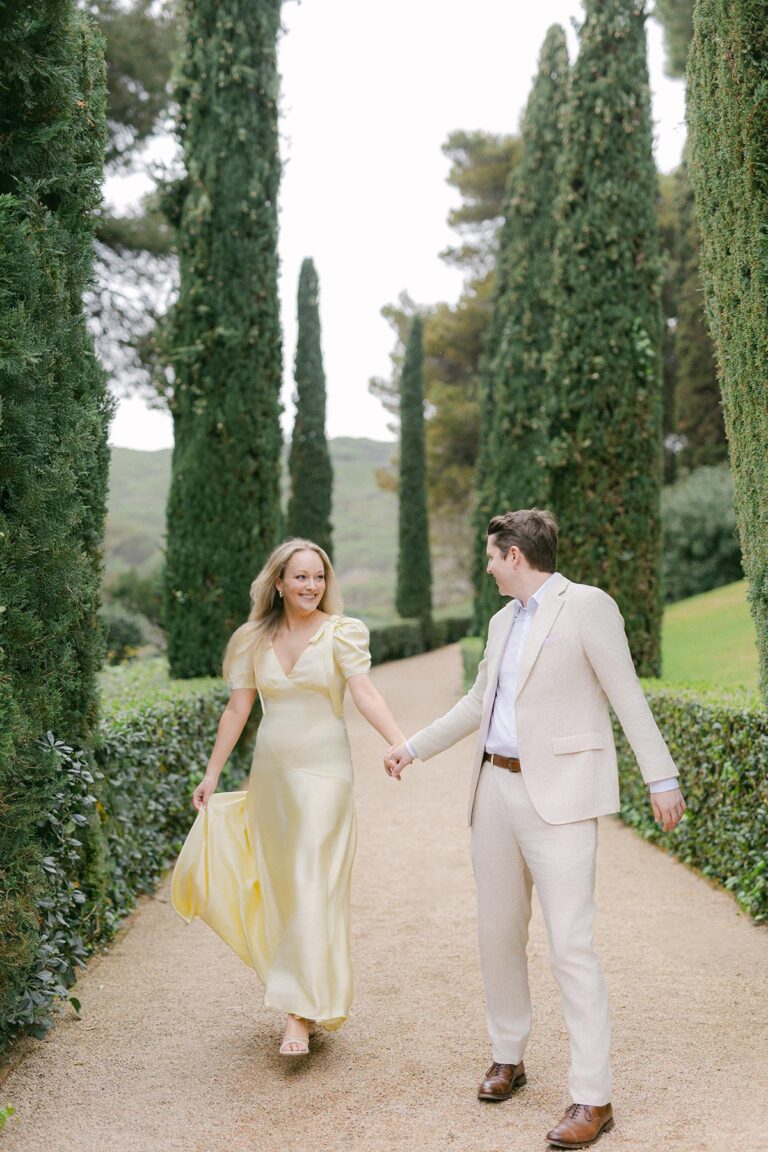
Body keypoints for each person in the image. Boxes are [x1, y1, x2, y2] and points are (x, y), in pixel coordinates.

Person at [384, 509, 686, 1149]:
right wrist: (413, 747)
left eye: (492, 555)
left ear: (515, 555)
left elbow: (626, 693)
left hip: (564, 796)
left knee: (571, 944)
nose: (487, 564)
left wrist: (662, 778)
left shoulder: (587, 606)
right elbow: (477, 703)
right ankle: (508, 1056)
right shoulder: (500, 621)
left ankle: (592, 1097)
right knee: (497, 932)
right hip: (493, 788)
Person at [171, 538, 404, 1056]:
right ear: (278, 583)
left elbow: (364, 692)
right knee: (284, 890)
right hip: (272, 778)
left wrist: (397, 740)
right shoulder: (252, 640)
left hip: (326, 774)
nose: (310, 586)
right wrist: (211, 775)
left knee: (310, 879)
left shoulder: (343, 633)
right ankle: (303, 993)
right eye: (300, 577)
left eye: (318, 577)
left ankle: (299, 1015)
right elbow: (238, 712)